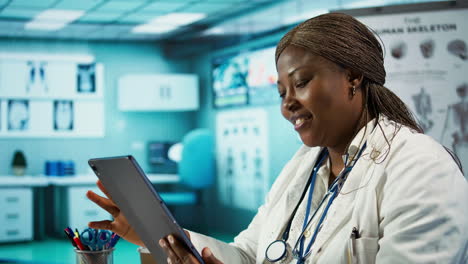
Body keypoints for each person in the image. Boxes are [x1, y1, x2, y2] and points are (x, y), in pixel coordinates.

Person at [86, 13, 468, 263]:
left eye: (300, 84)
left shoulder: (421, 168)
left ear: (353, 78)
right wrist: (157, 234)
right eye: (281, 92)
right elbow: (250, 254)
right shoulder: (304, 166)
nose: (288, 105)